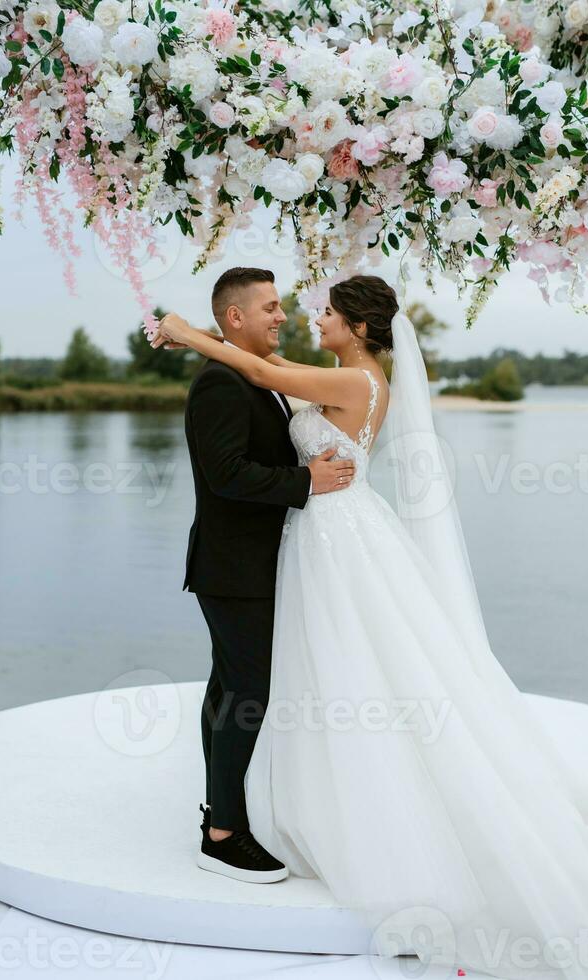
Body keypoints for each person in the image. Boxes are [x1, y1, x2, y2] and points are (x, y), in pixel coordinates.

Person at [152, 274, 588, 980]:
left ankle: (306, 812)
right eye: (284, 306)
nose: (305, 315)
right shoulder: (334, 374)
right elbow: (263, 390)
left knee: (347, 666)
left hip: (337, 536)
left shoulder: (358, 383)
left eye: (325, 310)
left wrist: (182, 330)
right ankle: (235, 816)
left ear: (358, 327)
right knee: (300, 673)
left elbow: (265, 371)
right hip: (313, 538)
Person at [180, 266, 356, 884]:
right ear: (235, 318)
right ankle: (224, 834)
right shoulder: (220, 384)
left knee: (229, 689)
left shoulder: (260, 377)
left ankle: (219, 812)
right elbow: (226, 473)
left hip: (255, 565)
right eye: (270, 308)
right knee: (247, 692)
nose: (282, 317)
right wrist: (306, 482)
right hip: (233, 569)